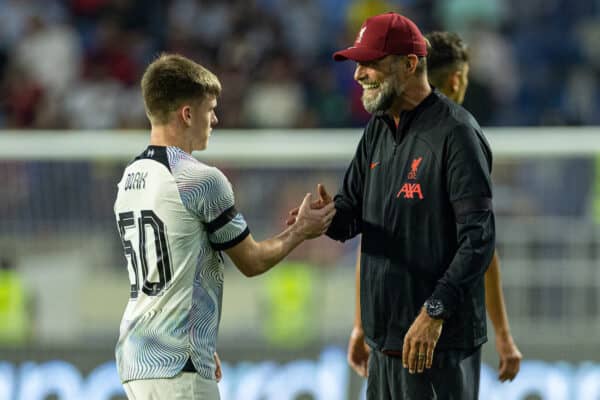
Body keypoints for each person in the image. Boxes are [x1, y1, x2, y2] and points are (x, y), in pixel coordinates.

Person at [113, 53, 335, 400]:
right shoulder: (200, 179)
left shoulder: (129, 178)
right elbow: (252, 261)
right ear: (187, 114)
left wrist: (198, 334)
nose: (214, 118)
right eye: (210, 109)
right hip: (178, 364)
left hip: (137, 357)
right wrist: (301, 230)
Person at [321, 13, 496, 399]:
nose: (358, 75)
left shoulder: (457, 133)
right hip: (386, 348)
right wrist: (322, 219)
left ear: (410, 63)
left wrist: (434, 312)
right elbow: (351, 215)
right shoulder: (378, 129)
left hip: (437, 347)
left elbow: (479, 239)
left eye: (369, 63)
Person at [346, 31, 522, 384]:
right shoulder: (455, 137)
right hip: (439, 335)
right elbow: (481, 248)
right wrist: (503, 334)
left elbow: (372, 237)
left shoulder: (397, 130)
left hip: (394, 331)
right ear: (457, 79)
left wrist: (360, 324)